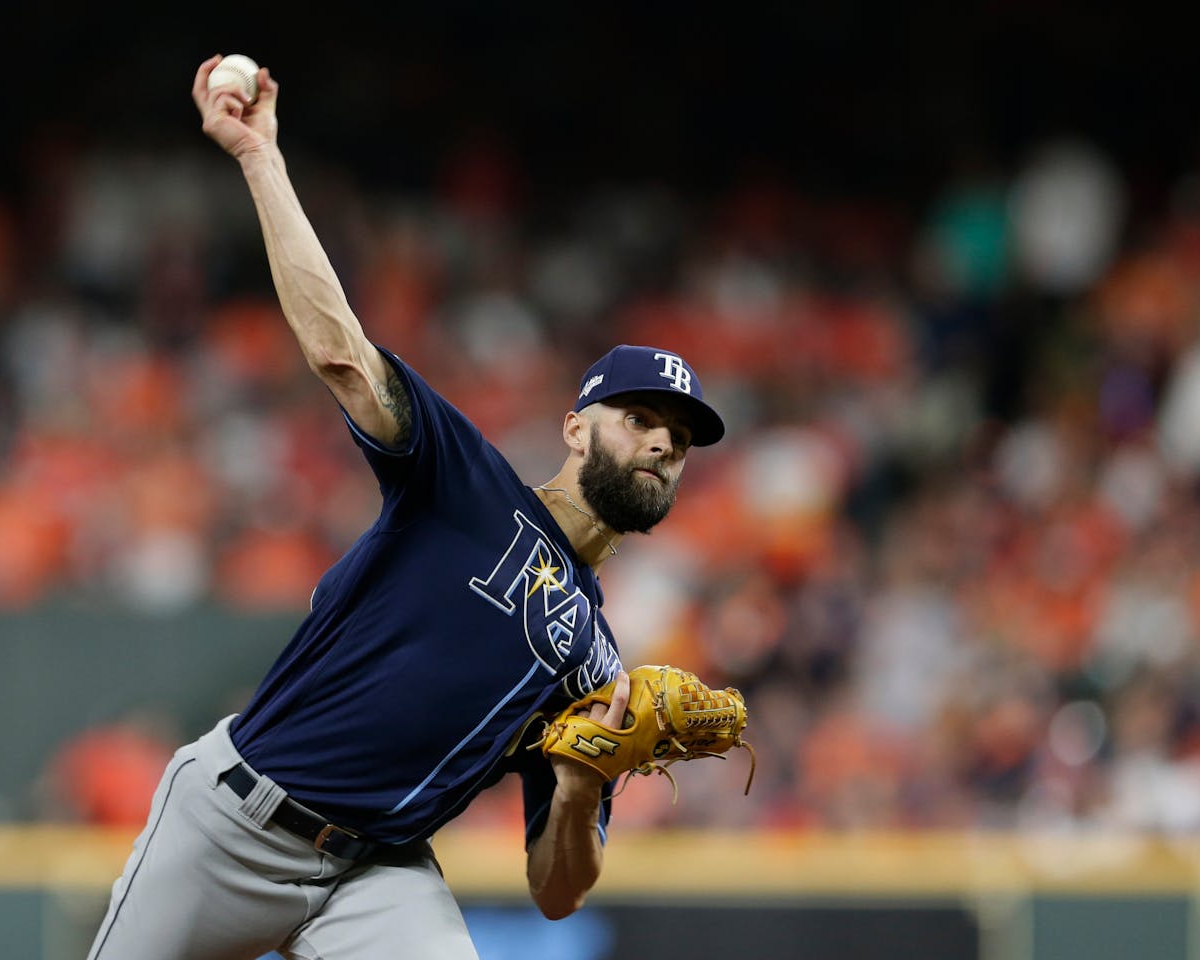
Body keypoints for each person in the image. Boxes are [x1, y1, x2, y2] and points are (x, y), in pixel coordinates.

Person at [86, 55, 727, 960]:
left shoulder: (600, 666)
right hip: (235, 823)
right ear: (577, 428)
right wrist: (259, 156)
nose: (663, 443)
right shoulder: (466, 481)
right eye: (640, 419)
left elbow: (557, 890)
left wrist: (583, 781)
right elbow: (342, 353)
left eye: (681, 438)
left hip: (380, 872)